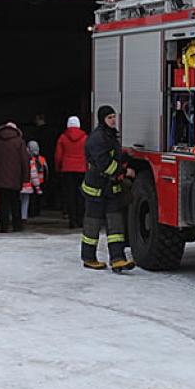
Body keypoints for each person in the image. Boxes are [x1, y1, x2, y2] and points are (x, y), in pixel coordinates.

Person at [80, 105, 136, 272]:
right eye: (109, 117)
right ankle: (89, 258)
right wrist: (125, 171)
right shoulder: (97, 138)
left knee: (116, 225)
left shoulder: (110, 136)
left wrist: (126, 155)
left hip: (110, 189)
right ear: (102, 119)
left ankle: (118, 259)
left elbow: (113, 156)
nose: (113, 120)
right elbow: (104, 164)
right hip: (96, 189)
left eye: (114, 117)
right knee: (92, 225)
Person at [0, 121, 30, 233]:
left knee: (3, 203)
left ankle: (4, 226)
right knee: (16, 202)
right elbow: (24, 160)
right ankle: (17, 225)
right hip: (15, 178)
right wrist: (26, 177)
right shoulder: (19, 141)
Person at [55, 115, 87, 229]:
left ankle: (72, 221)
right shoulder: (85, 138)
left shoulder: (63, 138)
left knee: (70, 196)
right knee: (81, 195)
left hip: (67, 169)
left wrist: (58, 167)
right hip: (81, 169)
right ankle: (81, 219)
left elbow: (58, 156)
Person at [20, 140, 45, 221]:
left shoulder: (21, 159)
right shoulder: (39, 159)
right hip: (33, 183)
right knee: (28, 200)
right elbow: (35, 174)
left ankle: (20, 215)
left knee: (20, 200)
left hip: (21, 184)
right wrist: (38, 186)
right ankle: (25, 215)